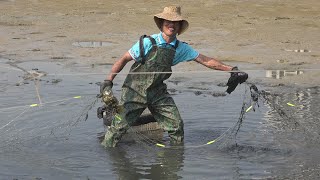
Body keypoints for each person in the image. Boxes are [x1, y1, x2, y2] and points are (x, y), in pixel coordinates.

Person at [98, 6, 248, 147]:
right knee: (117, 129)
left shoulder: (181, 48)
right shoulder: (147, 42)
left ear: (179, 27)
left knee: (176, 127)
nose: (172, 25)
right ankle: (107, 152)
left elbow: (206, 60)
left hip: (158, 93)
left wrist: (232, 70)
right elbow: (123, 59)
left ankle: (174, 158)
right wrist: (108, 81)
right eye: (169, 21)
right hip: (134, 92)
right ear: (162, 24)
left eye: (176, 22)